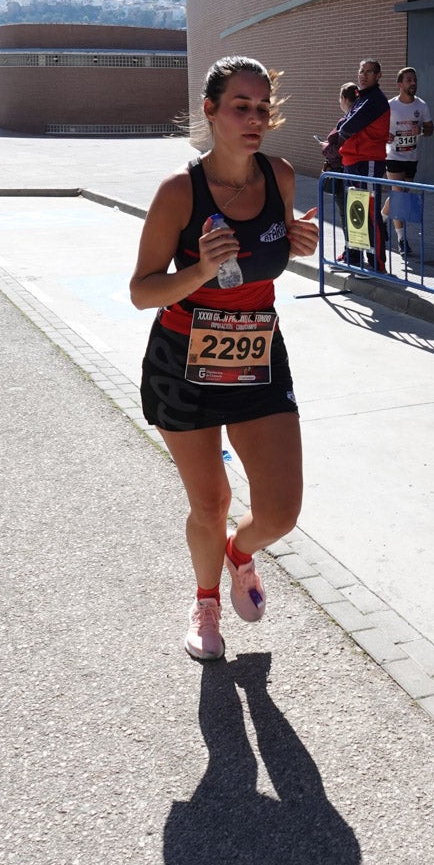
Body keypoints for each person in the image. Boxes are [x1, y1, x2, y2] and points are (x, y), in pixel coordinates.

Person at [129, 55, 319, 662]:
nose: (255, 118)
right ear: (210, 111)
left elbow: (268, 251)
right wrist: (202, 269)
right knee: (209, 503)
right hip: (183, 361)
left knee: (281, 512)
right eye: (241, 106)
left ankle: (241, 552)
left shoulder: (280, 177)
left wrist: (298, 243)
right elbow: (141, 291)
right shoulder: (179, 192)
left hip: (257, 355)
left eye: (263, 107)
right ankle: (206, 600)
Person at [336, 58, 390, 271]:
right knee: (355, 212)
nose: (364, 75)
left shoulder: (375, 99)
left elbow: (349, 126)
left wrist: (339, 135)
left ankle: (376, 263)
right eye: (361, 71)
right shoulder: (362, 98)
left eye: (369, 71)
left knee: (368, 212)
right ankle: (355, 258)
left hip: (367, 161)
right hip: (353, 161)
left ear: (378, 76)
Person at [384, 67, 434, 255]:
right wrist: (385, 135)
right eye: (409, 80)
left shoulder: (421, 106)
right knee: (400, 197)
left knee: (401, 193)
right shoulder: (390, 106)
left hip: (411, 157)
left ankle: (380, 220)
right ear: (400, 85)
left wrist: (420, 130)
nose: (413, 83)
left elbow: (430, 128)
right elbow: (379, 128)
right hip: (393, 156)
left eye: (414, 80)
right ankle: (401, 239)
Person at [319, 81, 359, 260]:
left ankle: (352, 253)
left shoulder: (346, 121)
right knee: (355, 214)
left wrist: (325, 147)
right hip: (356, 171)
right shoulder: (360, 118)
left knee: (348, 215)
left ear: (343, 99)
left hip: (344, 172)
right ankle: (354, 252)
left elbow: (337, 150)